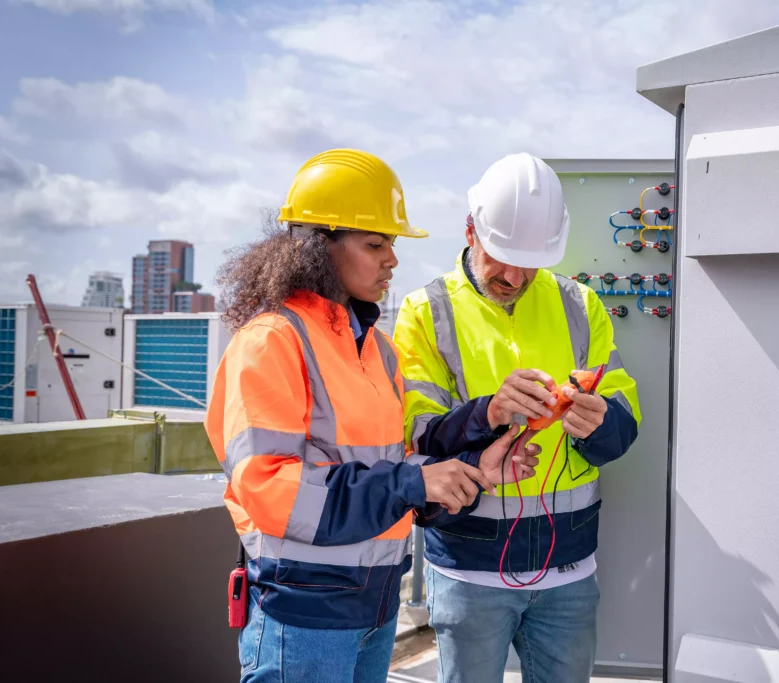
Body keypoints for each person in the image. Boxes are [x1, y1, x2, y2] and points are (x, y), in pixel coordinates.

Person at [204, 148, 539, 683]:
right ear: (318, 246)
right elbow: (272, 492)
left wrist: (476, 474)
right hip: (303, 619)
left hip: (376, 610)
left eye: (392, 244)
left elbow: (398, 469)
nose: (392, 260)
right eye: (375, 243)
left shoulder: (377, 351)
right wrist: (413, 480)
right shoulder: (270, 341)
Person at [393, 152, 642, 683]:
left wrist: (600, 425)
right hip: (469, 569)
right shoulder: (424, 311)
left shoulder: (581, 304)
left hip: (568, 568)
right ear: (469, 230)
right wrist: (490, 412)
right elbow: (415, 438)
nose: (514, 275)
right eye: (502, 256)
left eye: (530, 260)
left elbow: (624, 420)